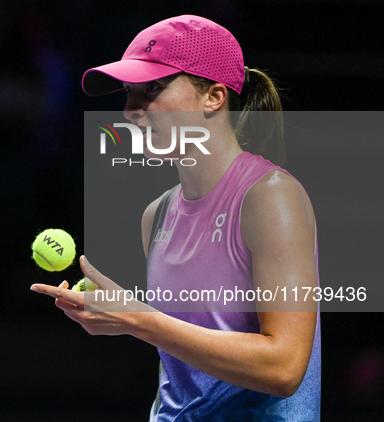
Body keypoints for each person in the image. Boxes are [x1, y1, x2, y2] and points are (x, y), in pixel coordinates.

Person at [31, 15, 320, 421]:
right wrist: (126, 321)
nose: (131, 111)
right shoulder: (158, 214)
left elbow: (285, 367)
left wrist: (137, 318)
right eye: (129, 93)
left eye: (151, 89)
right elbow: (186, 377)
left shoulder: (270, 197)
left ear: (213, 96)